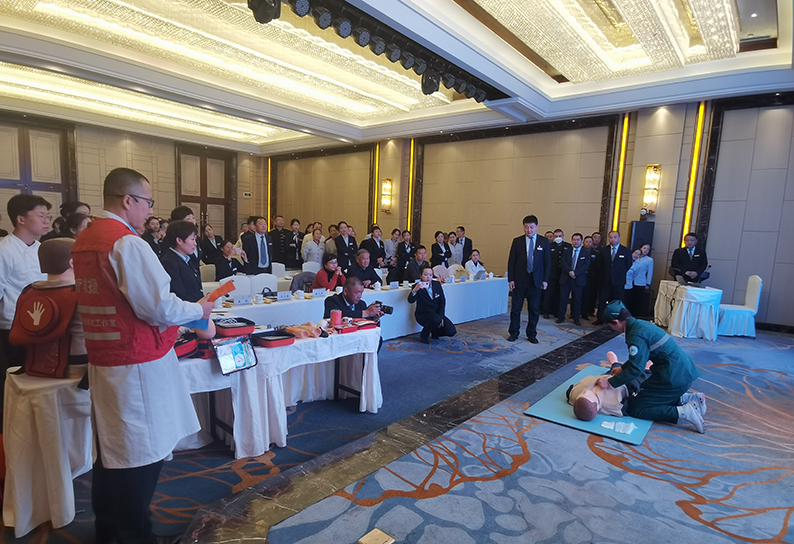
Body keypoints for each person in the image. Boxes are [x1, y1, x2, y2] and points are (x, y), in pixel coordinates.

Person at [72, 167, 212, 544]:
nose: (150, 211)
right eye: (148, 202)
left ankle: (111, 530)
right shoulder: (126, 243)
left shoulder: (86, 239)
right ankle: (133, 535)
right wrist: (199, 310)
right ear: (127, 200)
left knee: (113, 454)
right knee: (139, 456)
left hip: (106, 358)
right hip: (136, 363)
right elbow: (157, 307)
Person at [597, 300, 706, 433]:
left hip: (674, 377)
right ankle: (688, 398)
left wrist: (610, 382)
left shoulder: (635, 335)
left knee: (636, 408)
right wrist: (622, 368)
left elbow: (637, 369)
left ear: (615, 322)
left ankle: (684, 412)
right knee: (645, 389)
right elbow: (640, 358)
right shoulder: (640, 325)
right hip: (682, 372)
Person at [9, 238, 87, 379]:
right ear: (72, 263)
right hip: (76, 365)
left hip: (35, 362)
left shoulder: (28, 291)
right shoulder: (82, 293)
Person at [0, 194, 51, 403]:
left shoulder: (42, 249)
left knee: (40, 381)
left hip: (44, 324)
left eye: (47, 216)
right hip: (13, 327)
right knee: (18, 382)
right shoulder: (4, 250)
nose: (46, 221)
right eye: (41, 216)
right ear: (21, 219)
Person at [566, 351, 648, 421]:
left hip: (605, 377)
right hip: (627, 385)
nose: (587, 391)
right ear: (598, 407)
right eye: (590, 395)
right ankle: (647, 368)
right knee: (641, 377)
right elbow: (630, 404)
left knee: (613, 372)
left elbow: (570, 390)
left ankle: (615, 363)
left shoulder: (573, 394)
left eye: (583, 393)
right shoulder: (614, 406)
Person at [507, 215, 550, 344]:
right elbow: (511, 261)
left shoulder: (544, 241)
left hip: (536, 280)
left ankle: (531, 333)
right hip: (520, 279)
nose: (529, 230)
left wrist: (545, 280)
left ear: (536, 227)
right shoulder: (517, 241)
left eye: (531, 227)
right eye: (526, 227)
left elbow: (547, 263)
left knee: (534, 309)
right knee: (516, 309)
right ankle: (514, 332)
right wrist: (511, 279)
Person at [408, 265, 456, 344]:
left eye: (430, 275)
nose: (428, 277)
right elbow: (410, 300)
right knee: (436, 319)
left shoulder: (437, 284)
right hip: (423, 314)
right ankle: (424, 335)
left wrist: (441, 316)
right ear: (421, 275)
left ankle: (435, 332)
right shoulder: (417, 286)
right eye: (425, 274)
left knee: (451, 331)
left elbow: (442, 301)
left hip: (436, 314)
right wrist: (415, 290)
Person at [161, 220, 204, 303]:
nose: (195, 244)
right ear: (179, 241)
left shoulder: (188, 259)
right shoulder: (169, 262)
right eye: (192, 239)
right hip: (186, 308)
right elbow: (179, 294)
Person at [595, 230, 631, 324]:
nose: (613, 239)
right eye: (611, 237)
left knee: (618, 301)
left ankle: (618, 320)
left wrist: (619, 273)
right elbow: (599, 264)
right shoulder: (603, 250)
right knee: (602, 300)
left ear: (619, 238)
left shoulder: (625, 250)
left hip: (619, 280)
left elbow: (628, 265)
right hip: (605, 280)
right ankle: (600, 319)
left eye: (615, 237)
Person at [557, 233, 590, 325]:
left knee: (577, 300)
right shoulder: (567, 251)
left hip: (578, 279)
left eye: (578, 240)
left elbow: (586, 266)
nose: (576, 242)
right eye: (574, 240)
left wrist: (575, 273)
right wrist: (570, 271)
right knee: (563, 299)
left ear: (581, 241)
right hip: (566, 278)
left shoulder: (586, 253)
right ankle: (561, 317)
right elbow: (563, 262)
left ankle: (576, 317)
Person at [627, 244, 653, 317]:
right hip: (630, 281)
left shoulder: (649, 260)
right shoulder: (634, 256)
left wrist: (648, 283)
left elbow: (650, 272)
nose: (646, 250)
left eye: (648, 249)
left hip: (640, 282)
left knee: (637, 300)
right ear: (640, 248)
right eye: (644, 248)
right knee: (629, 299)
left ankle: (634, 315)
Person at [581, 235, 600, 320]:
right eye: (586, 241)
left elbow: (598, 266)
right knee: (579, 295)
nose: (588, 243)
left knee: (589, 296)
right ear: (583, 242)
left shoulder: (596, 253)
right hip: (581, 276)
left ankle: (587, 312)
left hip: (592, 278)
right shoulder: (580, 251)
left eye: (590, 242)